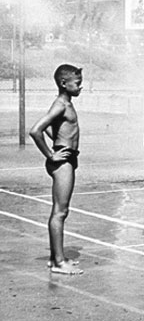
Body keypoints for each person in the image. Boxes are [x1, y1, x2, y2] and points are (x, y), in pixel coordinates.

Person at [29, 64, 85, 275]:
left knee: (61, 211)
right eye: (77, 83)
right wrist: (52, 154)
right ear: (64, 83)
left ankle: (56, 258)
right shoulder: (61, 104)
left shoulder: (66, 104)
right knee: (60, 212)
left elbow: (58, 131)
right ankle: (59, 263)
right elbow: (36, 131)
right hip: (62, 162)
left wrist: (59, 144)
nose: (81, 87)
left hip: (67, 157)